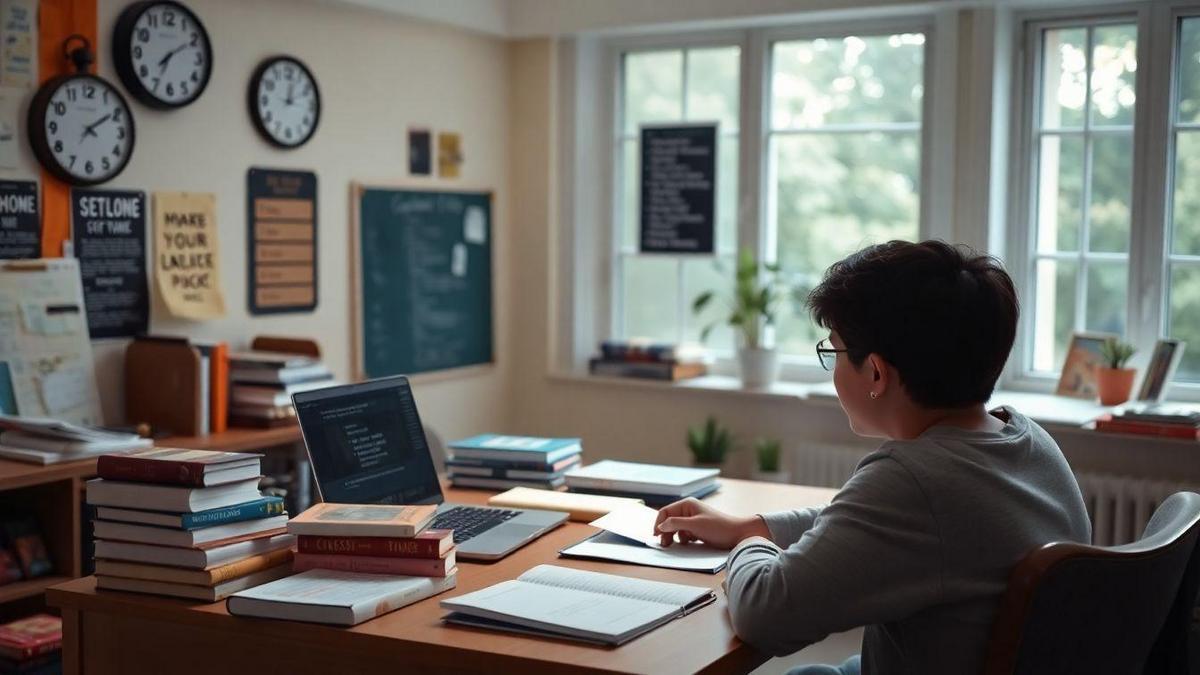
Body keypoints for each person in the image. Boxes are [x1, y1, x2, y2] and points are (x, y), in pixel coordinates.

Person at [654, 240, 1091, 675]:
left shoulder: (915, 479)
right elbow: (871, 524)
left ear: (877, 373)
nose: (834, 369)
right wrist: (756, 526)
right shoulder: (1027, 439)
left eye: (834, 351)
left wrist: (749, 546)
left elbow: (765, 615)